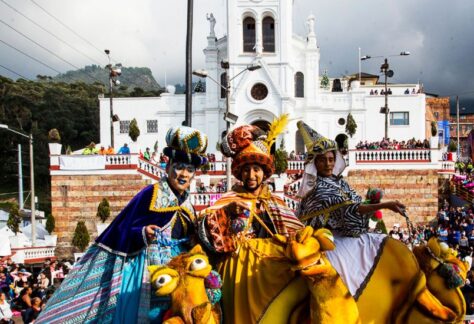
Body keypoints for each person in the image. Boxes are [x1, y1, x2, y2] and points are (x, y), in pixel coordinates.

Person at [37, 126, 209, 324]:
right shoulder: (150, 194)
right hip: (149, 268)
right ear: (168, 165)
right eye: (179, 166)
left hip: (181, 271)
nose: (184, 174)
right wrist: (143, 233)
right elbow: (122, 229)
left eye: (190, 170)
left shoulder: (188, 201)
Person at [198, 117, 303, 323]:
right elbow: (201, 229)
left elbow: (296, 232)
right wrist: (226, 213)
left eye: (256, 169)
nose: (251, 175)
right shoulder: (229, 199)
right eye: (246, 169)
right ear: (240, 173)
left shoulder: (275, 202)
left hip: (270, 274)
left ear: (265, 173)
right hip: (237, 275)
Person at [295, 121, 406, 297]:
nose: (328, 164)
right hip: (327, 241)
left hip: (348, 236)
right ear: (314, 163)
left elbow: (356, 204)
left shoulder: (340, 182)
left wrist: (376, 204)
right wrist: (385, 205)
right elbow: (351, 209)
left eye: (331, 159)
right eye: (322, 160)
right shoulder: (317, 188)